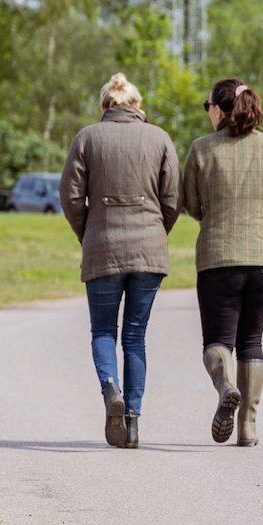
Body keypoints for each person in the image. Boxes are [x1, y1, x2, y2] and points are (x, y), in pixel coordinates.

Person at [182, 78, 263, 447]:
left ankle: (226, 387)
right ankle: (248, 427)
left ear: (218, 109)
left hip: (218, 257)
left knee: (217, 341)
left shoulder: (202, 150)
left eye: (208, 106)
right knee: (252, 341)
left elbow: (191, 204)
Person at [60, 73, 181, 449]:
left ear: (105, 106)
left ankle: (110, 387)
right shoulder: (159, 138)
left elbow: (70, 196)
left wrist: (89, 232)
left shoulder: (87, 138)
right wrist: (157, 232)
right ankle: (132, 420)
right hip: (149, 250)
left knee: (102, 332)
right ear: (136, 105)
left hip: (103, 246)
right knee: (135, 336)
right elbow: (172, 199)